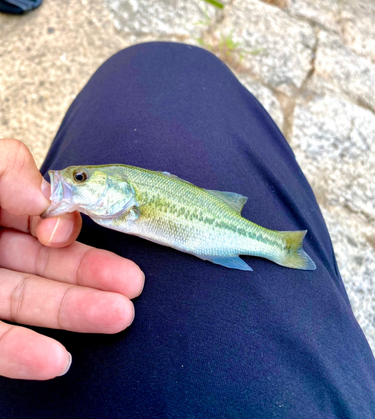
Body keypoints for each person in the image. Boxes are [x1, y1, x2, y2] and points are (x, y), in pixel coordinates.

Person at [0, 42, 374, 418]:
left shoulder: (124, 207)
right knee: (186, 64)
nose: (70, 178)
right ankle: (279, 245)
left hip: (215, 234)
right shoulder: (111, 211)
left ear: (122, 190)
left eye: (80, 177)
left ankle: (278, 245)